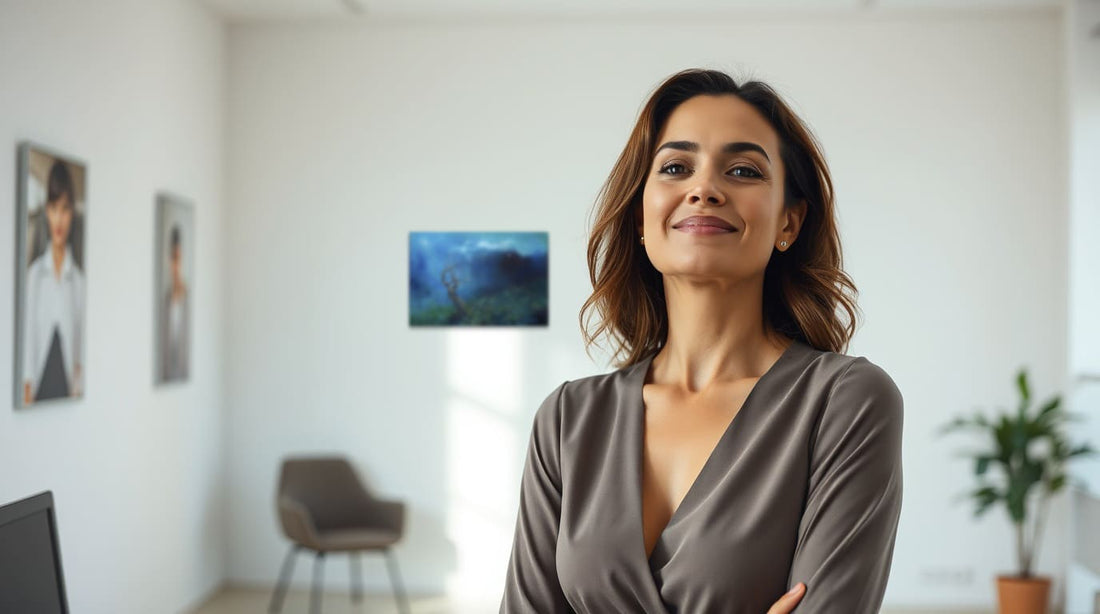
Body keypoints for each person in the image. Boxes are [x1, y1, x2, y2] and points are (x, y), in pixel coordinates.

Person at [499, 68, 904, 613]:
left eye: (742, 170)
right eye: (674, 167)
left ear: (789, 221)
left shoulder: (846, 402)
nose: (704, 189)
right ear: (642, 216)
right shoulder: (569, 418)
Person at [22, 159, 85, 405]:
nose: (59, 219)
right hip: (39, 393)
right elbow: (26, 349)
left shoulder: (80, 282)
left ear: (72, 214)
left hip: (67, 395)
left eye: (65, 209)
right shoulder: (34, 276)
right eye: (54, 208)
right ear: (46, 211)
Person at [160, 224, 190, 382]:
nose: (176, 266)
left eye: (178, 258)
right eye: (173, 258)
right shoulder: (164, 303)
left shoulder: (188, 302)